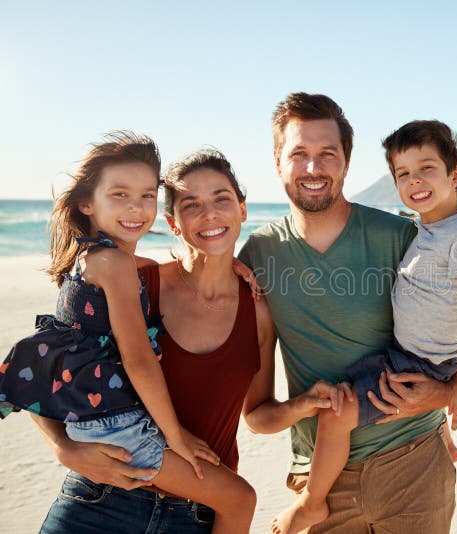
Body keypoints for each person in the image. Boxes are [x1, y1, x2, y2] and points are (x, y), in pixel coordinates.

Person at [26, 146, 293, 533]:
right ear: (172, 223)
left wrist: (311, 406)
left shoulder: (259, 309)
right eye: (191, 205)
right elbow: (44, 362)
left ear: (243, 210)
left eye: (221, 199)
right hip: (100, 501)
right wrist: (62, 448)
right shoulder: (138, 282)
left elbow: (257, 414)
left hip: (196, 514)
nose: (210, 214)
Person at [239, 93, 457, 533]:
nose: (313, 167)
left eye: (328, 154)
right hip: (319, 481)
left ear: (346, 161)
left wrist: (442, 395)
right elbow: (258, 411)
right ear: (277, 161)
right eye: (299, 153)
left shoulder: (401, 237)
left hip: (414, 460)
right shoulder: (256, 257)